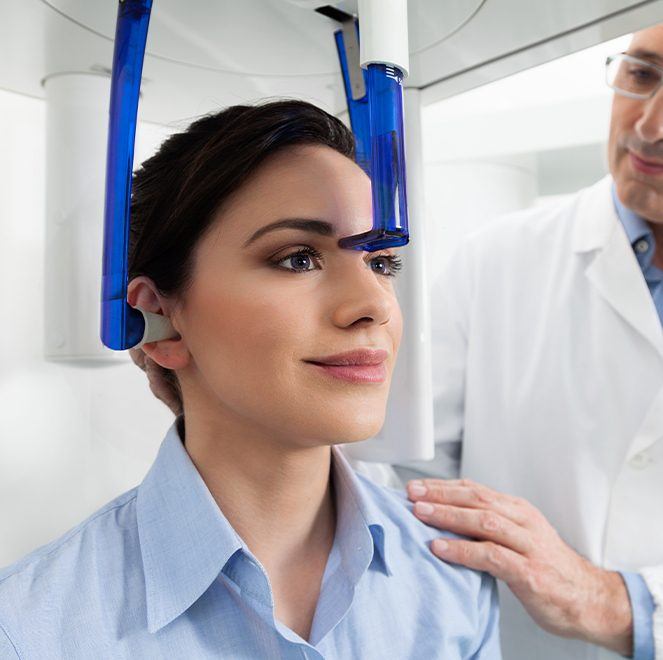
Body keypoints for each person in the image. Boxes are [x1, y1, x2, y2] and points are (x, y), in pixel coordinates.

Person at [0, 100, 500, 659]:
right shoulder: (27, 630)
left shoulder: (455, 577)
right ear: (159, 322)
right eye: (297, 258)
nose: (372, 307)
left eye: (381, 262)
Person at [396, 24, 663, 660]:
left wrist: (615, 603)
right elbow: (404, 478)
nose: (650, 125)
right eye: (643, 74)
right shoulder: (496, 261)